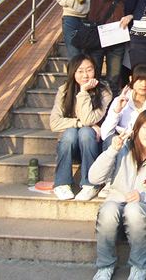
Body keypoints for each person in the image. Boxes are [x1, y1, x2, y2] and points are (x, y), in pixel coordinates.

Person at [89, 109, 146, 280]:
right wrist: (112, 151)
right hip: (117, 221)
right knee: (109, 208)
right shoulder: (122, 150)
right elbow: (94, 178)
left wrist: (143, 197)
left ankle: (139, 266)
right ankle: (105, 266)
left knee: (133, 209)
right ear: (137, 128)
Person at [49, 54, 112, 201]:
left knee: (85, 132)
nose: (85, 75)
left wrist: (83, 92)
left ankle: (90, 184)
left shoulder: (104, 91)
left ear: (95, 70)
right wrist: (78, 123)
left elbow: (88, 119)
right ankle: (62, 183)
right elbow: (54, 123)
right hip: (69, 145)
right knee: (71, 133)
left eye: (89, 70)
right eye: (80, 71)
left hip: (93, 145)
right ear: (73, 72)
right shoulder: (64, 90)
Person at [68, 0, 130, 93]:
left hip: (117, 38)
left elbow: (131, 10)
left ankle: (111, 104)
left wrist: (130, 16)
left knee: (114, 78)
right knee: (92, 76)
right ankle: (92, 102)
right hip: (96, 36)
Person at [101, 63, 146, 149]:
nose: (144, 84)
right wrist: (117, 110)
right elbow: (105, 134)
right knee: (111, 140)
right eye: (140, 80)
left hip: (145, 142)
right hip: (123, 142)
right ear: (131, 79)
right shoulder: (120, 99)